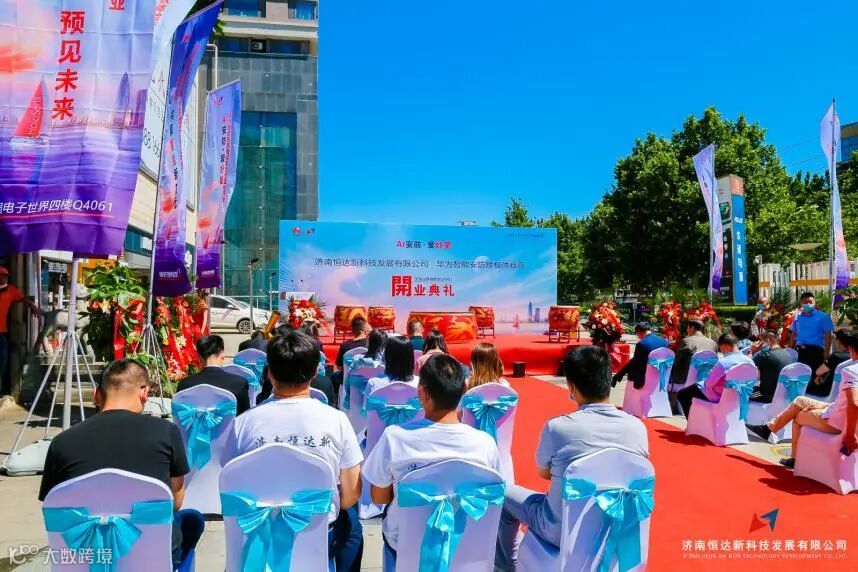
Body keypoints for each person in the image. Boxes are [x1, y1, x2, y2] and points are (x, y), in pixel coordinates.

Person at [494, 346, 649, 571]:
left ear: (572, 387)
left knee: (504, 494)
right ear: (608, 379)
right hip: (616, 525)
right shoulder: (638, 428)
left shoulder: (559, 427)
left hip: (560, 528)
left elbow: (544, 473)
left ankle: (506, 566)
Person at [39, 359, 203, 569]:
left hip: (82, 556)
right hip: (150, 555)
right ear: (144, 393)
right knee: (191, 521)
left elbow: (54, 508)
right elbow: (175, 501)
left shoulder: (61, 442)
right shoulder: (166, 432)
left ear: (96, 395)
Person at [223, 330, 364, 571]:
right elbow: (350, 495)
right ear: (315, 372)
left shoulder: (242, 423)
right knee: (352, 526)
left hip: (256, 530)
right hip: (319, 534)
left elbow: (229, 481)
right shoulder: (337, 420)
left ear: (269, 372)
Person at [362, 354, 501, 563]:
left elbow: (379, 497)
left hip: (403, 547)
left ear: (422, 393)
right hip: (465, 549)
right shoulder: (486, 444)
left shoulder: (395, 437)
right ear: (465, 389)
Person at [747, 332, 858, 469]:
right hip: (839, 410)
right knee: (800, 401)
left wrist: (850, 434)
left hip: (837, 420)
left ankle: (795, 458)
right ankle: (769, 428)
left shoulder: (850, 371)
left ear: (852, 349)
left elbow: (854, 404)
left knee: (797, 416)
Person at [677, 333, 754, 417]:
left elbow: (709, 383)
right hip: (739, 397)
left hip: (717, 396)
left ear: (724, 346)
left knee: (682, 394)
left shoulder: (724, 363)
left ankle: (694, 422)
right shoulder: (750, 362)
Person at [177, 335, 251, 414]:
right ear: (222, 355)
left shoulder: (184, 385)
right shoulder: (239, 384)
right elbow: (245, 416)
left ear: (199, 357)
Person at [0, 265, 41, 394]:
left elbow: (24, 299)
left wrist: (33, 307)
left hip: (2, 333)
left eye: (5, 276)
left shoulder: (11, 290)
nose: (4, 278)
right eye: (2, 276)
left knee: (2, 364)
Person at [790, 292, 834, 378]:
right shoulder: (797, 316)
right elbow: (793, 333)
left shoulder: (823, 317)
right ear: (801, 303)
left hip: (816, 351)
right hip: (800, 350)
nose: (808, 304)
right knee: (800, 376)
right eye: (805, 302)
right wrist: (790, 349)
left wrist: (827, 352)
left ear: (815, 303)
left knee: (814, 376)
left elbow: (828, 335)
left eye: (810, 302)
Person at [612, 322, 668, 389]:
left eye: (637, 334)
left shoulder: (641, 344)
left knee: (633, 365)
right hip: (662, 376)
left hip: (646, 378)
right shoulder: (664, 341)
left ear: (639, 332)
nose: (638, 337)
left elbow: (634, 363)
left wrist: (618, 376)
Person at [668, 319, 718, 389]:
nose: (687, 330)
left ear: (692, 328)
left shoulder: (686, 341)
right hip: (707, 381)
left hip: (686, 383)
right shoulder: (713, 343)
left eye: (687, 328)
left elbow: (676, 362)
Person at [749, 330, 793, 404]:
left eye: (761, 342)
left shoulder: (765, 355)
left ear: (767, 341)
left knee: (742, 392)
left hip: (768, 396)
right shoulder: (788, 354)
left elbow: (747, 366)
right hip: (783, 394)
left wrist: (752, 351)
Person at [812, 329, 853, 397]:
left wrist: (819, 376)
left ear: (838, 341)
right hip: (850, 392)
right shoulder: (855, 357)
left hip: (830, 393)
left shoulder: (836, 357)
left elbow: (818, 372)